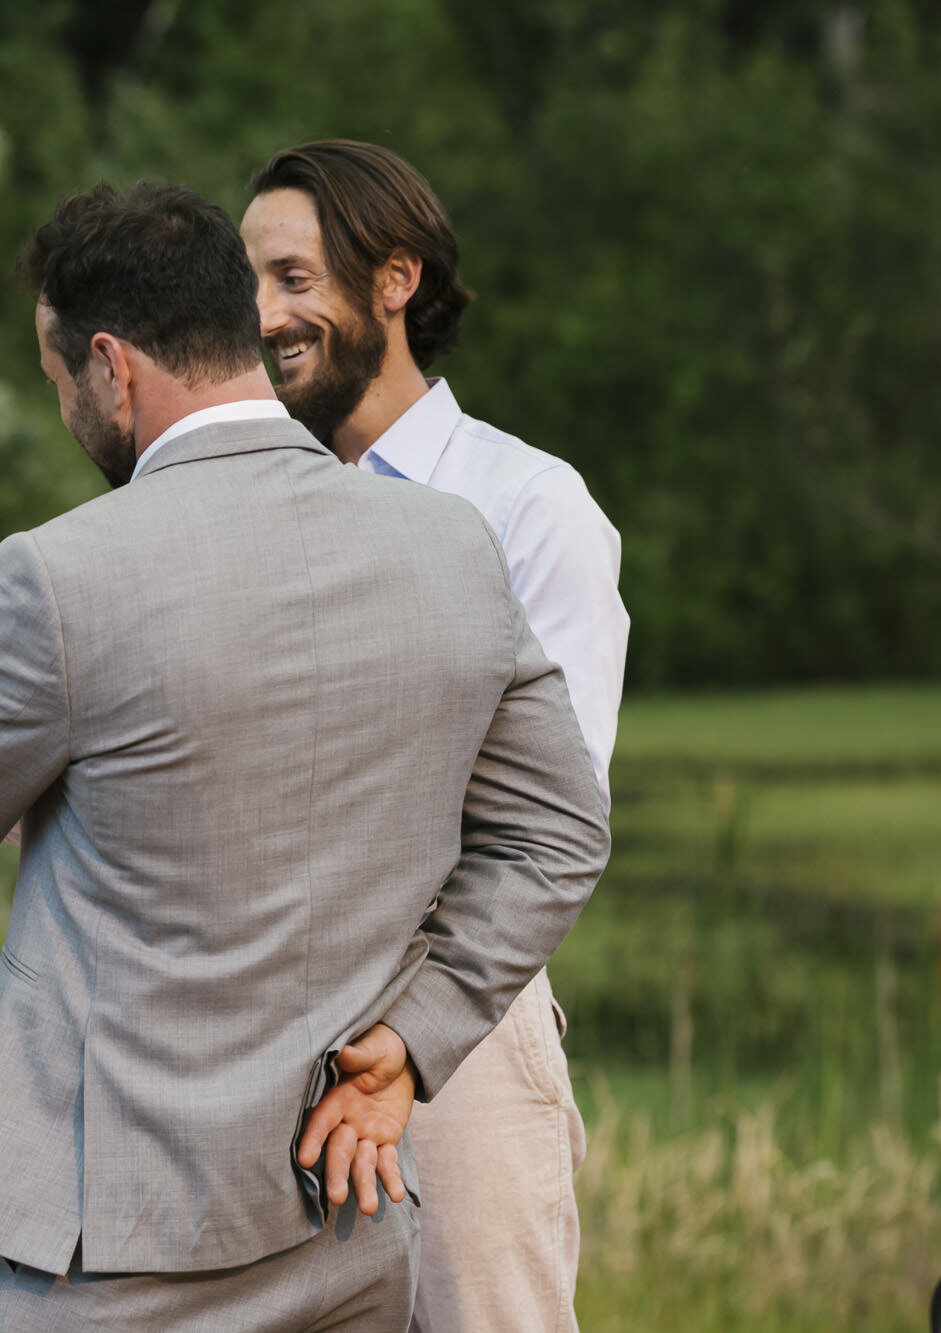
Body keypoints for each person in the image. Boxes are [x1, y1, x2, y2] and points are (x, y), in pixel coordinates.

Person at [0, 182, 610, 1330]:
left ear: (110, 365)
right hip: (346, 1215)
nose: (68, 409)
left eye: (60, 384)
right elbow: (559, 829)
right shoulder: (449, 544)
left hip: (117, 1245)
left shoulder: (60, 572)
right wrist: (413, 1036)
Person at [241, 140, 631, 1333]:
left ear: (395, 280)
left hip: (457, 1020)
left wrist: (409, 1044)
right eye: (249, 283)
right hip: (262, 1024)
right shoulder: (247, 517)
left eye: (293, 277)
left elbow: (544, 823)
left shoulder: (527, 505)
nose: (263, 315)